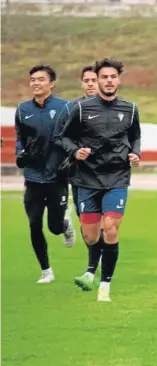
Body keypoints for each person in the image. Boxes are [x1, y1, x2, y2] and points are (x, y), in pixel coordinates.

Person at [54, 58, 142, 302]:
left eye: (113, 76)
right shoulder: (81, 109)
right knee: (92, 236)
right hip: (87, 178)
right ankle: (93, 268)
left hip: (117, 177)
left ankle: (105, 285)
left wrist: (136, 154)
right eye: (104, 77)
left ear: (118, 80)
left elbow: (135, 138)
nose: (109, 81)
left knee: (111, 228)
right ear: (98, 80)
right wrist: (75, 151)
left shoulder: (130, 109)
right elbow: (62, 138)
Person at [15, 64, 76, 284]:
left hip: (57, 176)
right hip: (32, 176)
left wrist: (69, 160)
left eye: (40, 79)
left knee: (54, 227)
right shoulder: (22, 109)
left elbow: (74, 138)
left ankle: (65, 225)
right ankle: (46, 270)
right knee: (34, 223)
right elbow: (20, 138)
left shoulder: (66, 108)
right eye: (32, 79)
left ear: (51, 83)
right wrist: (19, 154)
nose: (35, 83)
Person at [55, 65, 103, 291]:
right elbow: (60, 137)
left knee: (106, 221)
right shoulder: (72, 108)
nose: (91, 84)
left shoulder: (115, 108)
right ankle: (96, 257)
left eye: (95, 79)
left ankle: (93, 267)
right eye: (87, 80)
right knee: (87, 224)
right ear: (82, 84)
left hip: (108, 175)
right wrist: (75, 151)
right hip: (80, 175)